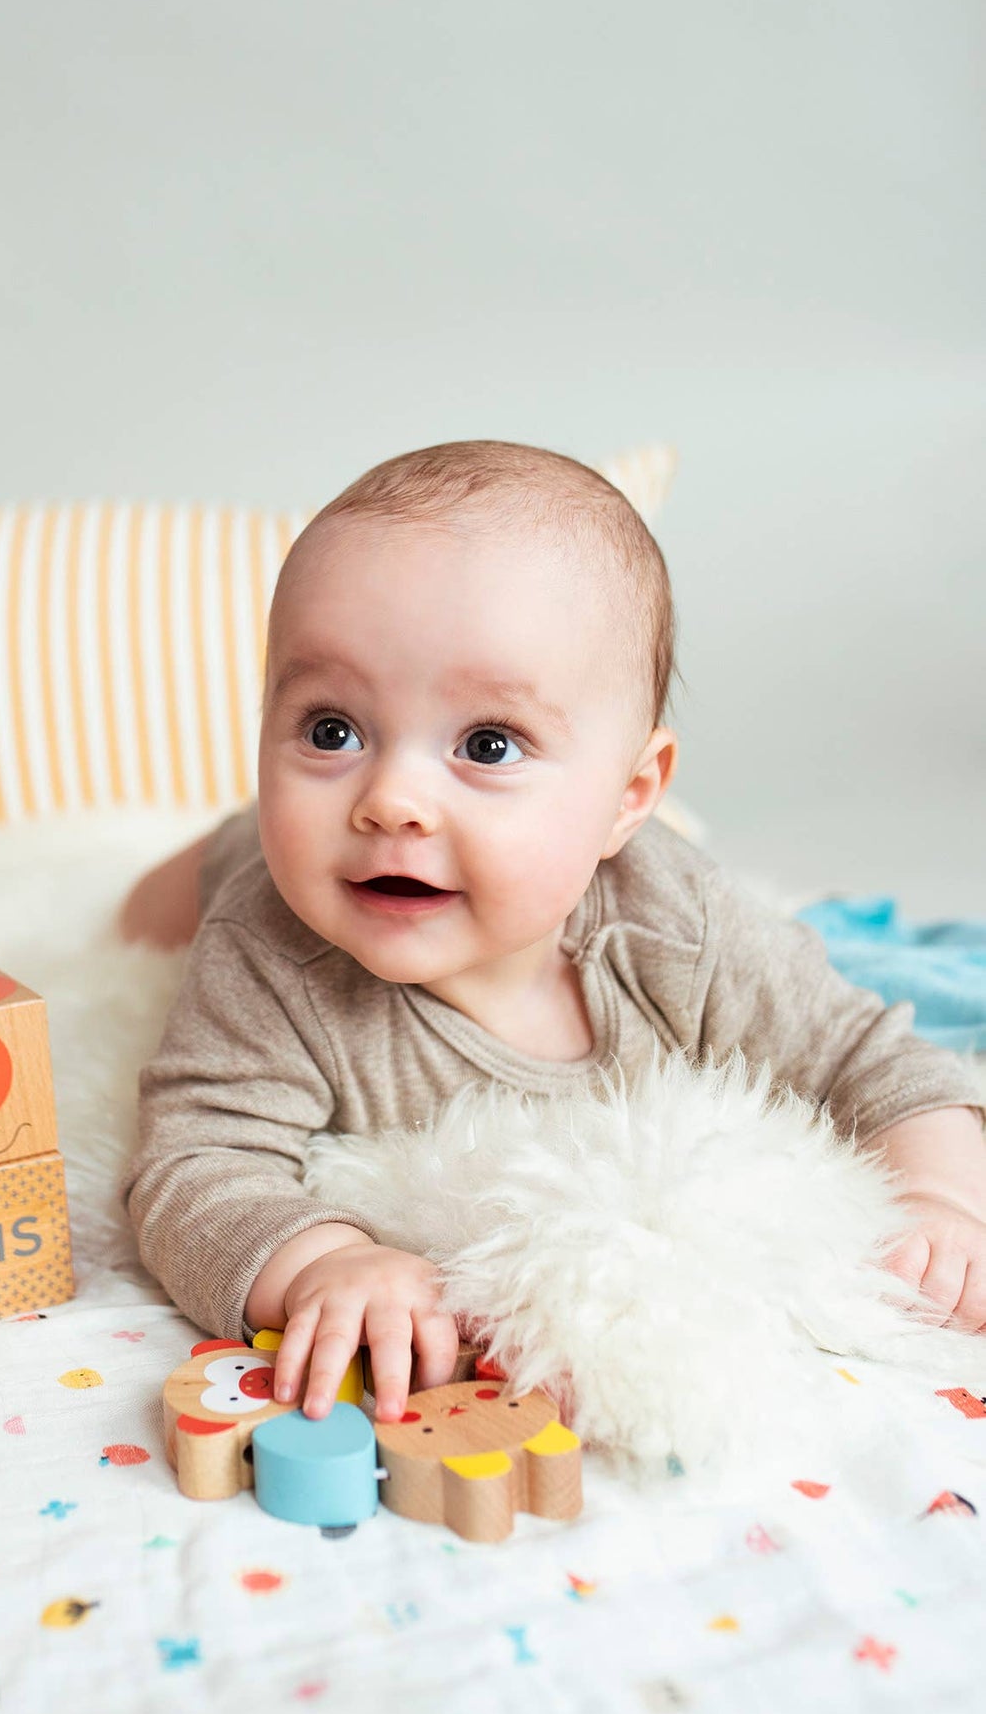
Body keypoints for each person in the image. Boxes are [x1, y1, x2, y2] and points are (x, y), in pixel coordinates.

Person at [118, 440, 986, 1426]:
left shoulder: (679, 926)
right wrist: (326, 1260)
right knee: (148, 908)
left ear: (628, 798)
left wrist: (943, 1203)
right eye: (330, 730)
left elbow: (866, 1051)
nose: (389, 798)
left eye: (486, 745)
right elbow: (192, 1158)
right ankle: (203, 841)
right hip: (236, 867)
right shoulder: (266, 950)